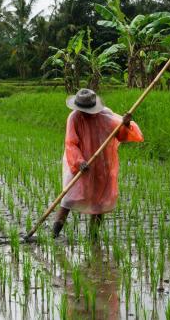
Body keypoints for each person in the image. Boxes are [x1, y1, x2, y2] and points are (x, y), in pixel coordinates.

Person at [52, 88, 143, 238]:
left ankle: (93, 236)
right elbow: (71, 143)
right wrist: (79, 161)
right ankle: (54, 234)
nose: (84, 113)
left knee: (99, 202)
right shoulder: (74, 117)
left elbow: (120, 135)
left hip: (102, 163)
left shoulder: (105, 115)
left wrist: (126, 124)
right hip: (79, 164)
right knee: (68, 199)